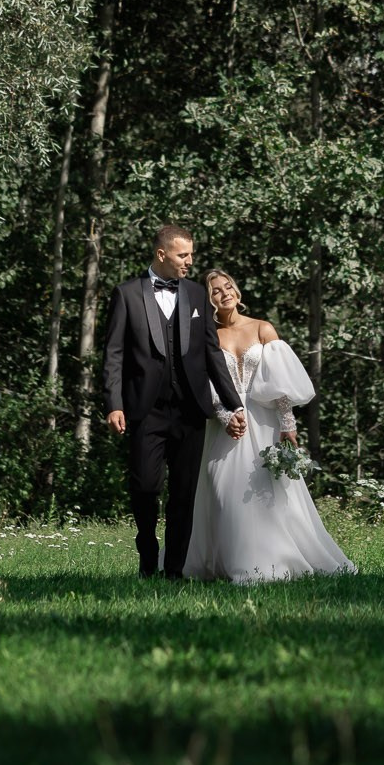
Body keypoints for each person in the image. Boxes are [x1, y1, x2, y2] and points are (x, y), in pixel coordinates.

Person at [182, 268, 356, 584]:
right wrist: (223, 416)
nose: (225, 293)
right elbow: (203, 383)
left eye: (228, 286)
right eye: (216, 291)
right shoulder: (208, 336)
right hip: (226, 422)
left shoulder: (263, 329)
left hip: (264, 421)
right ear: (209, 301)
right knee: (222, 488)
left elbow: (280, 383)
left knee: (268, 491)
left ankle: (267, 563)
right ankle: (222, 562)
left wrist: (288, 424)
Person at [102, 223, 246, 578]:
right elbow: (114, 354)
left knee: (184, 495)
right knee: (146, 487)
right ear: (162, 254)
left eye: (192, 254)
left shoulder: (197, 294)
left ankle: (175, 571)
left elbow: (212, 354)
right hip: (144, 410)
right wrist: (113, 403)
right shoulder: (127, 294)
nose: (190, 262)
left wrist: (233, 403)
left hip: (190, 410)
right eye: (183, 255)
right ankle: (147, 550)